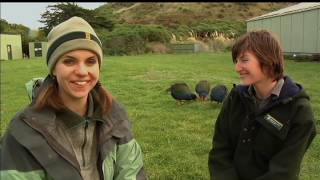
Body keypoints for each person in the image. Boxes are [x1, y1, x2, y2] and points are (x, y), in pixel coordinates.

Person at [0, 16, 147, 180]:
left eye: (91, 61)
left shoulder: (114, 115)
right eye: (69, 61)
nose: (82, 71)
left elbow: (132, 173)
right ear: (54, 69)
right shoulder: (24, 132)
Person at [208, 30, 316, 180]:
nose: (237, 68)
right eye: (236, 61)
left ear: (268, 60)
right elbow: (220, 151)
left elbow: (284, 172)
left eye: (244, 60)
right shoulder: (235, 98)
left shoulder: (300, 112)